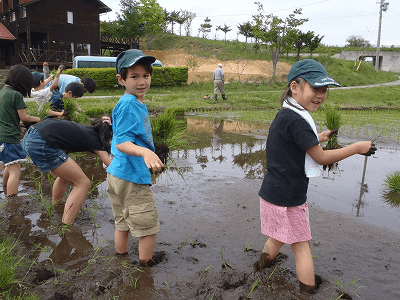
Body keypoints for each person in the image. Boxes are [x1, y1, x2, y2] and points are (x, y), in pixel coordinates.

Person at [255, 59, 377, 294]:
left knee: (277, 237)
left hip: (271, 192)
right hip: (289, 198)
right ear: (295, 87)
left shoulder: (286, 114)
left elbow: (295, 141)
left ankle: (260, 267)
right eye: (315, 88)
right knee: (301, 247)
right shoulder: (297, 121)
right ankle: (307, 291)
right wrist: (356, 148)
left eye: (324, 90)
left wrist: (318, 136)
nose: (320, 95)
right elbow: (320, 158)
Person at [106, 49, 164, 267]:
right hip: (131, 177)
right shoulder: (130, 103)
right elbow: (122, 142)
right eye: (134, 76)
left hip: (117, 173)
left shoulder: (131, 101)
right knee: (147, 227)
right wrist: (146, 152)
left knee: (122, 222)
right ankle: (145, 266)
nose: (142, 82)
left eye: (146, 76)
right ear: (121, 79)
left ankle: (121, 258)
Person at [21, 115, 113, 225]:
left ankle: (57, 207)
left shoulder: (84, 131)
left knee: (65, 176)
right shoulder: (96, 140)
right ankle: (66, 225)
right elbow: (111, 165)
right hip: (40, 140)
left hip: (30, 135)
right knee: (83, 183)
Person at [0, 65, 41, 197]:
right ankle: (12, 202)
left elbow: (10, 117)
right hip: (9, 137)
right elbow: (24, 117)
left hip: (1, 136)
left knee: (10, 164)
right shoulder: (16, 95)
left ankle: (5, 188)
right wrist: (37, 119)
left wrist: (22, 124)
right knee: (15, 171)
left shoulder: (2, 92)